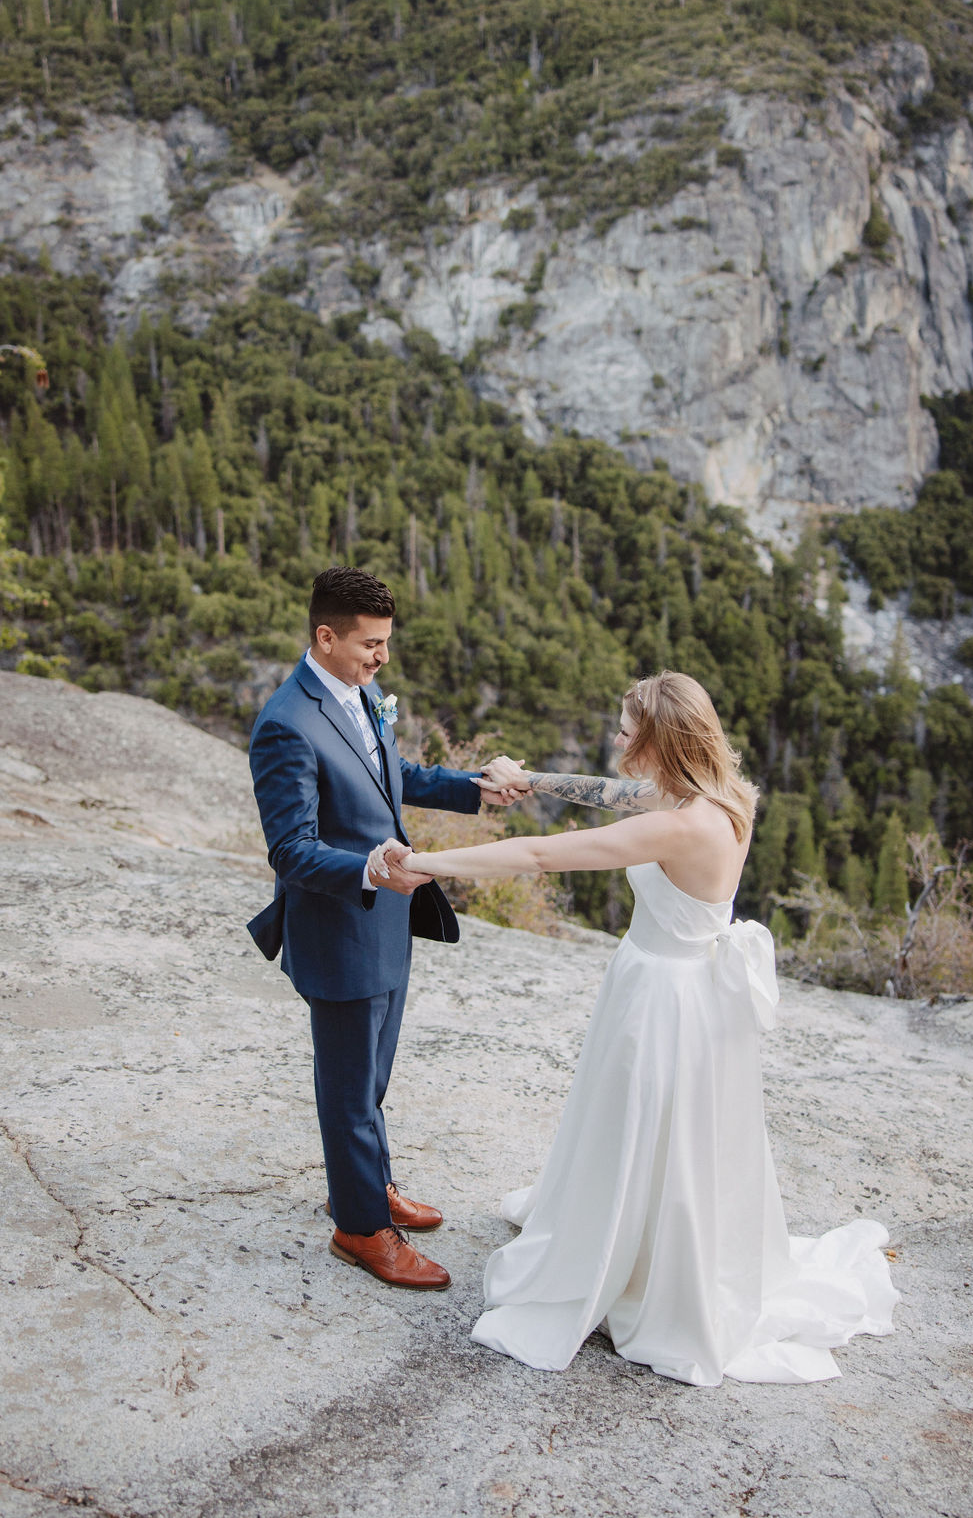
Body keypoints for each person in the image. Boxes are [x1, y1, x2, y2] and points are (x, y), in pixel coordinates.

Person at [373, 671, 899, 1383]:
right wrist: (533, 778)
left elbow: (538, 856)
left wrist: (426, 864)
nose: (617, 738)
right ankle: (645, 1237)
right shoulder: (715, 797)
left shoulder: (679, 822)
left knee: (640, 1120)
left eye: (627, 729)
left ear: (660, 740)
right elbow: (610, 788)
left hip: (663, 998)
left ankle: (627, 1257)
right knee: (670, 1133)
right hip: (684, 989)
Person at [247, 566, 522, 1291]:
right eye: (370, 643)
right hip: (340, 929)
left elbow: (389, 773)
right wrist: (370, 869)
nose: (382, 658)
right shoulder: (285, 723)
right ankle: (362, 1227)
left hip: (388, 924)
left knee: (370, 1077)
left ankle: (362, 1183)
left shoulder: (361, 692)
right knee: (346, 1087)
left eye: (386, 643)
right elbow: (290, 848)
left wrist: (474, 788)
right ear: (325, 636)